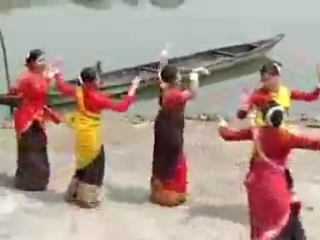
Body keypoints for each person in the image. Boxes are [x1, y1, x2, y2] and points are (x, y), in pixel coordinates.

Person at [219, 101, 320, 239]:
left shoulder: (256, 132)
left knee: (263, 222)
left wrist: (222, 126)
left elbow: (228, 135)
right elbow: (314, 143)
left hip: (256, 184)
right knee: (284, 221)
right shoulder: (286, 136)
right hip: (276, 184)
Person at [51, 66, 140, 208]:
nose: (100, 81)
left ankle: (73, 193)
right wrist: (132, 91)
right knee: (94, 166)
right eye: (97, 79)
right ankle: (87, 199)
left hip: (81, 136)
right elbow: (121, 107)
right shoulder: (97, 98)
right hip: (92, 137)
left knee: (82, 165)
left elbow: (61, 87)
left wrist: (57, 74)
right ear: (91, 82)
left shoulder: (78, 91)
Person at [237, 61, 320, 207]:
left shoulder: (285, 92)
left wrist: (318, 88)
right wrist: (243, 110)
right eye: (263, 79)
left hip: (282, 135)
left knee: (282, 166)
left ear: (277, 77)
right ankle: (260, 192)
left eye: (267, 78)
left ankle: (288, 193)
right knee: (257, 166)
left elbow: (310, 97)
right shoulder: (259, 94)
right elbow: (243, 111)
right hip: (263, 137)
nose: (264, 82)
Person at [5, 49, 62, 191]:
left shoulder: (35, 76)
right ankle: (29, 183)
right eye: (40, 61)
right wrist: (48, 77)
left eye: (44, 61)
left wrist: (49, 75)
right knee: (31, 150)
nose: (43, 64)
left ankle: (34, 180)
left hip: (37, 116)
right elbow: (38, 90)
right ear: (31, 63)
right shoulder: (27, 77)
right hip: (27, 118)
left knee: (39, 147)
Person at [150, 65, 199, 207]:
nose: (179, 77)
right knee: (173, 157)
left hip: (164, 124)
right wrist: (194, 78)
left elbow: (163, 76)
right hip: (171, 128)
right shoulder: (174, 95)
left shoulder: (163, 88)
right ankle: (170, 193)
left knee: (161, 157)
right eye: (178, 75)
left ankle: (159, 189)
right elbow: (192, 93)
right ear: (174, 79)